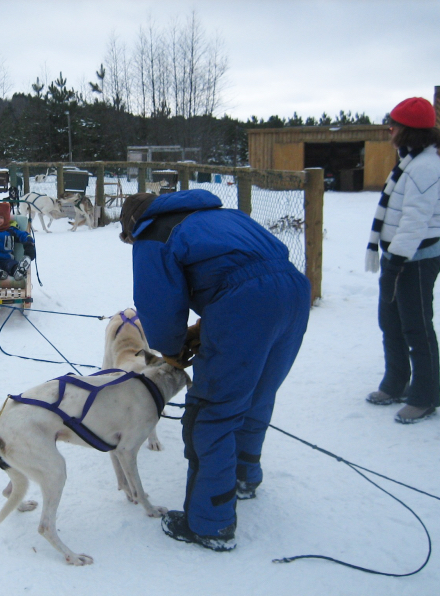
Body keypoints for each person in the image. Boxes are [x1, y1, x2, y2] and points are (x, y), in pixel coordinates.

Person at [119, 189, 310, 551]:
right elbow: (256, 269)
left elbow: (157, 304)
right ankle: (243, 476)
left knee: (212, 412)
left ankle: (211, 524)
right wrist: (206, 328)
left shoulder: (153, 233)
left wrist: (172, 351)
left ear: (133, 224)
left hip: (245, 304)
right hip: (294, 293)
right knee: (255, 394)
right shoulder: (224, 216)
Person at [364, 97, 440, 424]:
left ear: (409, 131)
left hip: (414, 261)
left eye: (394, 126)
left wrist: (396, 262)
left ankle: (424, 396)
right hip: (398, 257)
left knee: (416, 327)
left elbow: (415, 220)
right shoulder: (410, 162)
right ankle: (396, 381)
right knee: (391, 322)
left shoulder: (424, 167)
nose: (390, 131)